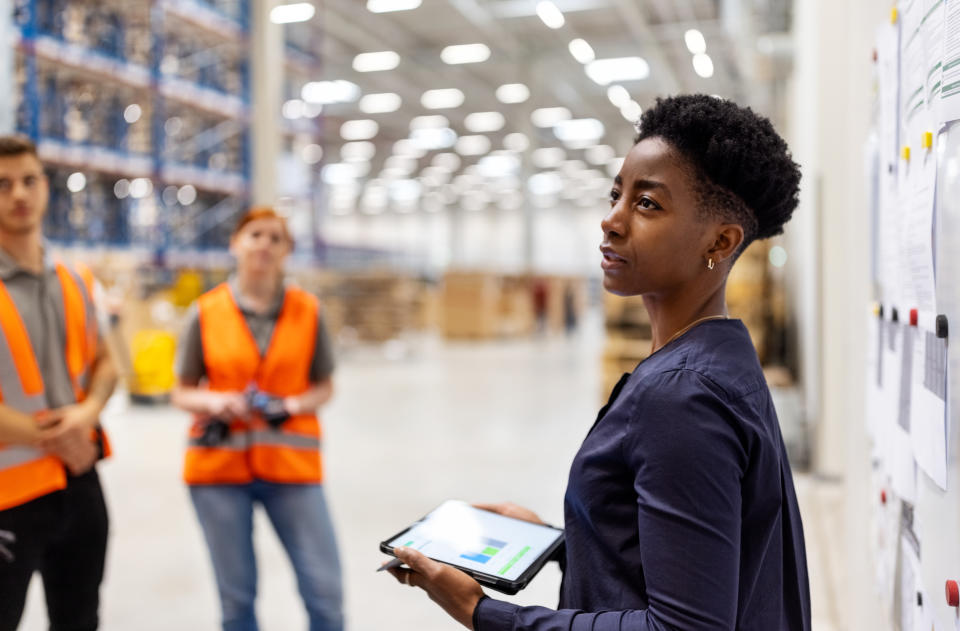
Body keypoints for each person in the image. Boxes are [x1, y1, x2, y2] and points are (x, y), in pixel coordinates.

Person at [385, 94, 811, 631]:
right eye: (617, 196)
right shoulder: (720, 356)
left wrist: (482, 612)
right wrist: (568, 541)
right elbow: (693, 563)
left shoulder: (681, 395)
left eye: (647, 204)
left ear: (720, 242)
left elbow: (686, 628)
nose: (611, 221)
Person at [172, 207, 343, 631]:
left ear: (287, 250)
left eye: (275, 238)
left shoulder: (308, 311)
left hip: (293, 469)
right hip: (218, 473)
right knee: (237, 602)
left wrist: (293, 406)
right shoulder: (206, 311)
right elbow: (180, 390)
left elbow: (324, 385)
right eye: (255, 235)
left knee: (325, 594)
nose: (264, 245)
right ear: (236, 243)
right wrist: (215, 402)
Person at [0, 135, 117, 631]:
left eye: (29, 181)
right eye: (3, 185)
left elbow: (107, 363)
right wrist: (56, 435)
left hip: (81, 482)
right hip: (9, 495)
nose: (18, 195)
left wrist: (86, 415)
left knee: (80, 619)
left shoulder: (77, 278)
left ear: (46, 188)